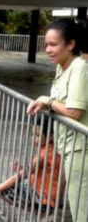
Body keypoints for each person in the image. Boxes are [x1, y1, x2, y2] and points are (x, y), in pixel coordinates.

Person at [27, 19, 88, 222]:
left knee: (81, 209)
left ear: (71, 44)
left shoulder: (79, 67)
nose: (48, 50)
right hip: (67, 147)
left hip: (80, 150)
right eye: (46, 45)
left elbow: (73, 112)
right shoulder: (62, 67)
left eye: (54, 45)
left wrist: (48, 101)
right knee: (77, 201)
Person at [0, 118, 63, 213]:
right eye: (33, 134)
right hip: (51, 196)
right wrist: (22, 169)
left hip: (44, 198)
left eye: (37, 135)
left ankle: (41, 212)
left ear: (51, 137)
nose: (33, 138)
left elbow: (17, 177)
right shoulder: (53, 149)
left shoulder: (43, 156)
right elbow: (36, 171)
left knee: (3, 191)